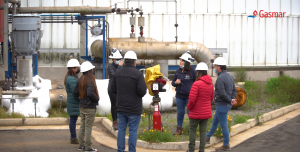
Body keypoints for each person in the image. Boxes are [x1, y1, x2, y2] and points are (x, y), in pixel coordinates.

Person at [111, 50, 147, 152]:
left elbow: (112, 89)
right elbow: (142, 91)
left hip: (121, 107)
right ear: (134, 62)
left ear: (124, 61)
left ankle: (120, 150)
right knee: (132, 131)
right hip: (134, 108)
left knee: (121, 130)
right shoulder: (138, 74)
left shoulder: (117, 73)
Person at [206, 57, 237, 151]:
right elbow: (234, 90)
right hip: (226, 104)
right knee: (215, 120)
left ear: (219, 67)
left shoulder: (220, 78)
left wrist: (229, 100)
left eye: (215, 66)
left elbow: (222, 93)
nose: (214, 68)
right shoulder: (229, 76)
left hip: (222, 104)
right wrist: (232, 99)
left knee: (223, 124)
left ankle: (226, 144)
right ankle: (207, 137)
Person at [186, 62, 214, 152]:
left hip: (195, 112)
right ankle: (202, 150)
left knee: (192, 130)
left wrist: (189, 107)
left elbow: (192, 99)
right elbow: (211, 97)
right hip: (206, 113)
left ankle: (191, 149)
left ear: (199, 72)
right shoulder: (210, 84)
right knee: (203, 131)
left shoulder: (196, 84)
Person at [74, 61, 99, 152]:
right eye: (92, 69)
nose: (93, 70)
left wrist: (82, 98)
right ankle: (88, 147)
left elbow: (76, 92)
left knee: (82, 126)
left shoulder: (80, 79)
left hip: (82, 106)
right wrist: (96, 99)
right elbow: (90, 93)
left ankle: (81, 145)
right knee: (88, 127)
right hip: (90, 107)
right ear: (90, 70)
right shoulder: (90, 80)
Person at [171, 51, 197, 135]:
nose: (180, 62)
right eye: (180, 60)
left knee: (190, 113)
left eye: (182, 61)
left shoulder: (192, 72)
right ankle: (179, 129)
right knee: (180, 112)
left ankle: (192, 130)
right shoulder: (177, 71)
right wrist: (176, 82)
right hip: (179, 96)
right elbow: (172, 83)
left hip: (189, 96)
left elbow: (197, 83)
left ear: (186, 62)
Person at [65, 59, 81, 144]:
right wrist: (81, 99)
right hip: (73, 102)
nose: (78, 69)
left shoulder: (72, 77)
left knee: (73, 120)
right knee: (73, 120)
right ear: (73, 69)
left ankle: (73, 137)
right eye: (77, 68)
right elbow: (76, 92)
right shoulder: (71, 79)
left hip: (73, 102)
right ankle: (73, 137)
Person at [107, 48, 123, 130]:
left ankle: (120, 121)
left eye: (119, 59)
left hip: (119, 88)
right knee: (114, 105)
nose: (118, 61)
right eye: (117, 59)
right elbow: (114, 75)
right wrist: (120, 67)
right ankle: (115, 121)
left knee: (119, 105)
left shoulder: (121, 67)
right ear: (113, 59)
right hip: (112, 89)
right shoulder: (110, 67)